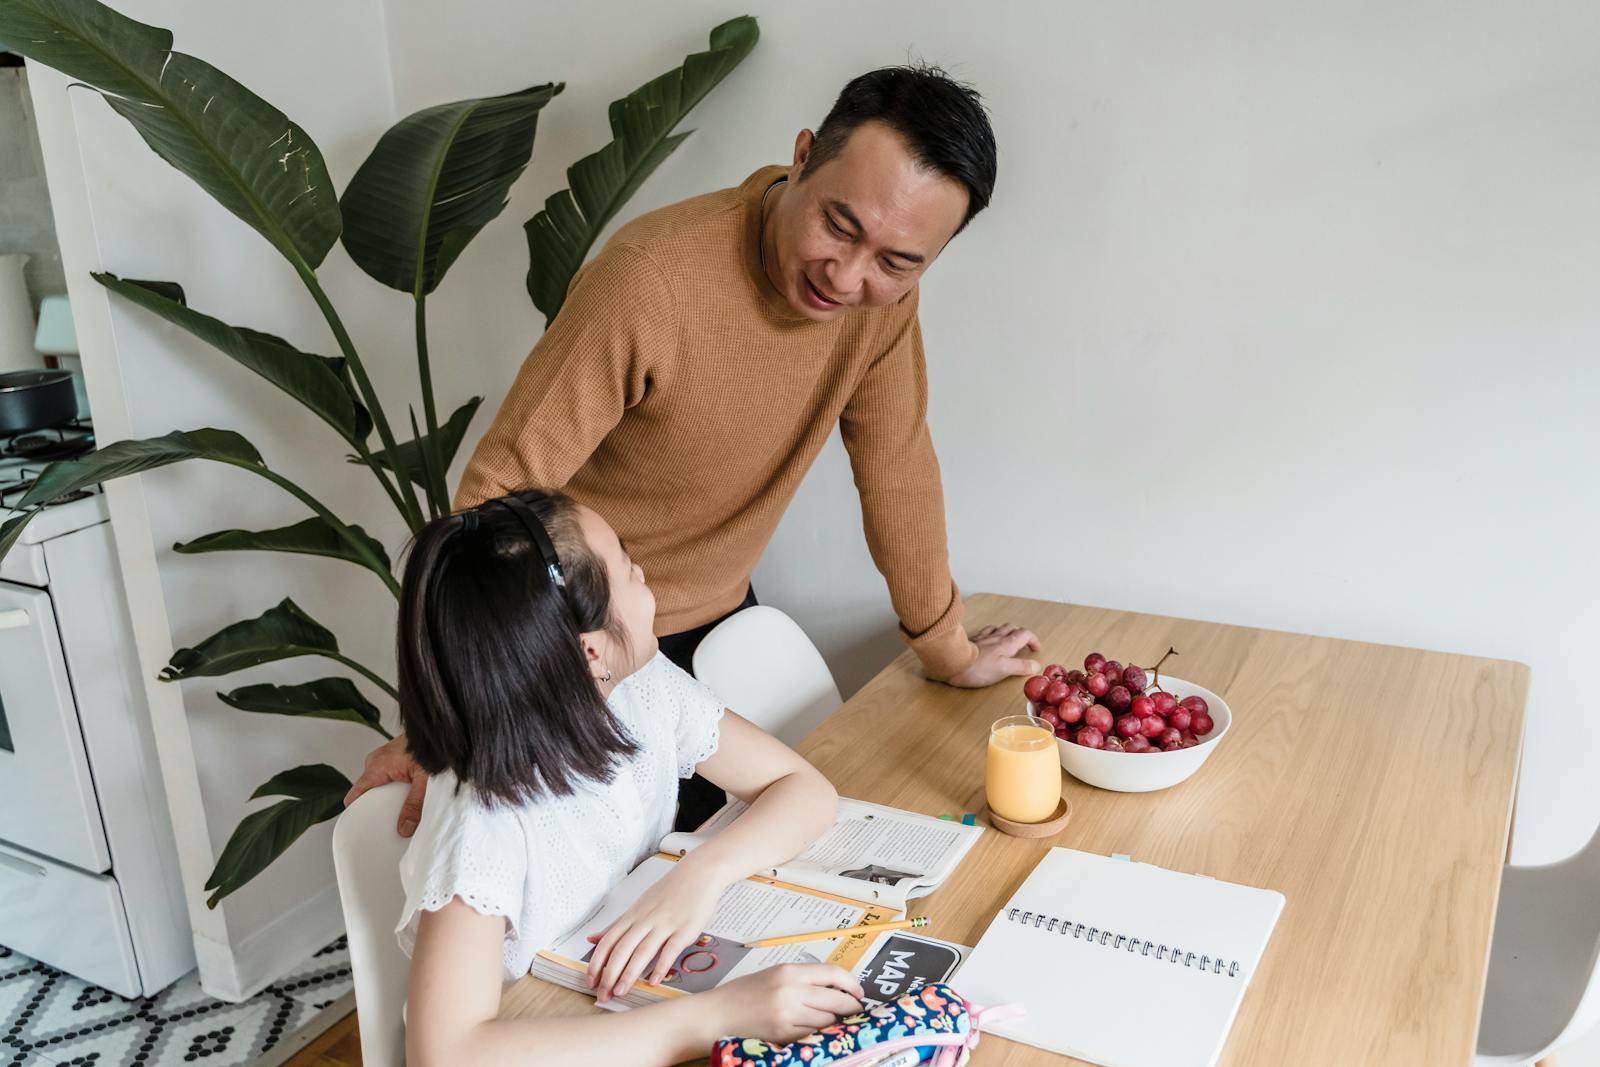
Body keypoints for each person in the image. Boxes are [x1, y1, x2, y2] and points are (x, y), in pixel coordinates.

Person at [347, 64, 1041, 834]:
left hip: (721, 627)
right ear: (803, 155)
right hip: (583, 641)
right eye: (838, 227)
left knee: (738, 881)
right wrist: (438, 717)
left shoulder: (884, 308)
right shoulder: (652, 281)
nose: (847, 278)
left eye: (896, 261)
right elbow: (497, 491)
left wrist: (946, 647)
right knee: (596, 912)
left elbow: (898, 468)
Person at [396, 489, 864, 1065]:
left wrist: (701, 874)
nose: (642, 570)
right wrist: (715, 1018)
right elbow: (444, 1055)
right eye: (624, 563)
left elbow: (803, 788)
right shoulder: (483, 824)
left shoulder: (642, 688)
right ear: (591, 652)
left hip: (623, 1007)